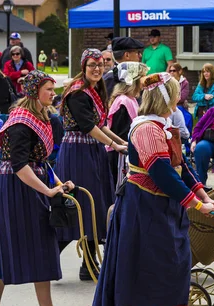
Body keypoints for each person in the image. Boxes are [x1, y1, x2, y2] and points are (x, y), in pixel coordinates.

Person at [90, 72, 214, 306]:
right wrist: (195, 204)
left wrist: (203, 194)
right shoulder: (147, 129)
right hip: (144, 207)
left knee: (165, 267)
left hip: (161, 207)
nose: (180, 97)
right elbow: (161, 173)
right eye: (176, 93)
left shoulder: (163, 126)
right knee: (146, 270)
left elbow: (181, 166)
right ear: (166, 98)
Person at [0, 70, 75, 306]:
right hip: (16, 188)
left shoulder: (37, 117)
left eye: (54, 90)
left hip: (21, 185)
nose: (54, 95)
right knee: (41, 242)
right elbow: (20, 165)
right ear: (34, 92)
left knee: (2, 243)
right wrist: (48, 190)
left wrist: (57, 183)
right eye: (49, 90)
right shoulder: (22, 122)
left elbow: (38, 161)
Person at [56, 49, 128, 281]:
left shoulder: (94, 90)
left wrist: (120, 141)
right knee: (81, 204)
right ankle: (52, 257)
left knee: (95, 204)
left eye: (100, 64)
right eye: (92, 65)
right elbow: (88, 126)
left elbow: (99, 124)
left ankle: (88, 264)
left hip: (91, 150)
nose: (97, 68)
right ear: (83, 67)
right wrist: (113, 145)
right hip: (78, 152)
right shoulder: (78, 93)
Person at [107, 62, 149, 185]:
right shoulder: (123, 103)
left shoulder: (131, 100)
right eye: (142, 76)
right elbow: (121, 132)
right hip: (119, 156)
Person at [167, 62, 192, 133]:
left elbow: (182, 97)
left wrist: (170, 100)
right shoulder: (167, 82)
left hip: (179, 106)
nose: (172, 72)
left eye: (174, 70)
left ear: (180, 71)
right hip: (169, 107)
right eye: (170, 71)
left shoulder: (184, 83)